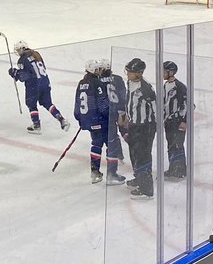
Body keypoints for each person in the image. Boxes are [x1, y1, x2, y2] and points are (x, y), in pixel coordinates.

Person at [76, 58, 125, 185]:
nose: (99, 71)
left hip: (90, 121)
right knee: (112, 145)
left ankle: (95, 173)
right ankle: (111, 175)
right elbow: (102, 104)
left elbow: (77, 105)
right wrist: (112, 115)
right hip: (102, 120)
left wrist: (80, 119)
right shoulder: (97, 83)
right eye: (97, 69)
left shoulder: (81, 83)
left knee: (96, 145)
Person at [9, 40, 71, 134]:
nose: (18, 52)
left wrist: (15, 73)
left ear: (22, 48)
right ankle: (62, 120)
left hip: (34, 84)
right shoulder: (36, 54)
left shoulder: (22, 59)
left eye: (18, 50)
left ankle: (36, 126)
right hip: (45, 82)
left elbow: (25, 76)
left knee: (31, 104)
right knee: (48, 103)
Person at [119, 58, 158, 200]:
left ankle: (147, 189)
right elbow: (129, 102)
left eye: (131, 71)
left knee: (143, 156)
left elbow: (156, 108)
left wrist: (155, 127)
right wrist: (125, 116)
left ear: (139, 73)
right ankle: (139, 178)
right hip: (134, 125)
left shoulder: (146, 88)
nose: (128, 73)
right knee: (134, 154)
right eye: (127, 70)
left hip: (145, 127)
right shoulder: (129, 83)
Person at [162, 61, 189, 179]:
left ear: (170, 72)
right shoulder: (165, 85)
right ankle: (173, 169)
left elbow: (189, 105)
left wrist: (185, 121)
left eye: (163, 71)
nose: (161, 73)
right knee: (171, 145)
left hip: (178, 121)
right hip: (168, 122)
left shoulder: (180, 86)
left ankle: (181, 171)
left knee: (178, 145)